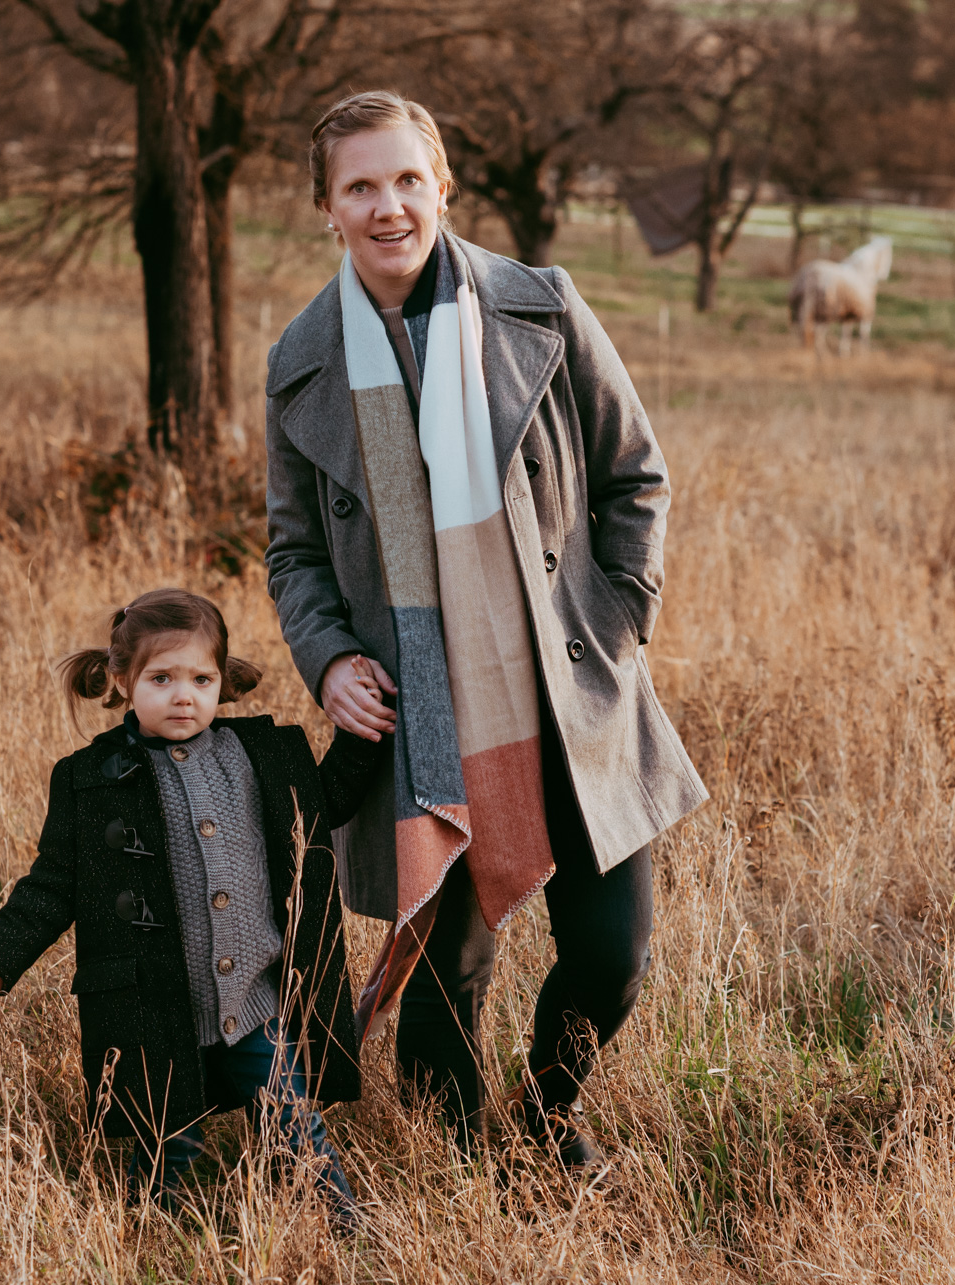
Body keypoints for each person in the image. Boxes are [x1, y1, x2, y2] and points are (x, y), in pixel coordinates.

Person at [263, 90, 707, 1169]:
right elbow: (294, 553)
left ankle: (549, 1109)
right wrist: (327, 662)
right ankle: (461, 1164)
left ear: (443, 185)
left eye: (408, 179)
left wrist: (617, 619)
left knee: (615, 955)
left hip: (567, 683)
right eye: (360, 186)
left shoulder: (542, 307)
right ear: (326, 208)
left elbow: (634, 475)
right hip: (422, 704)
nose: (388, 206)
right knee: (447, 966)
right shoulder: (300, 361)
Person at [0, 589, 384, 1225]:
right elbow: (52, 884)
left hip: (254, 1002)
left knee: (295, 1121)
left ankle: (344, 1223)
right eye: (162, 678)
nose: (183, 696)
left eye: (201, 679)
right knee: (166, 1141)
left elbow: (326, 805)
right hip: (156, 1003)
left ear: (223, 681)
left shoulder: (261, 754)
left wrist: (364, 730)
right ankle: (155, 1226)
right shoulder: (90, 779)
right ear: (122, 680)